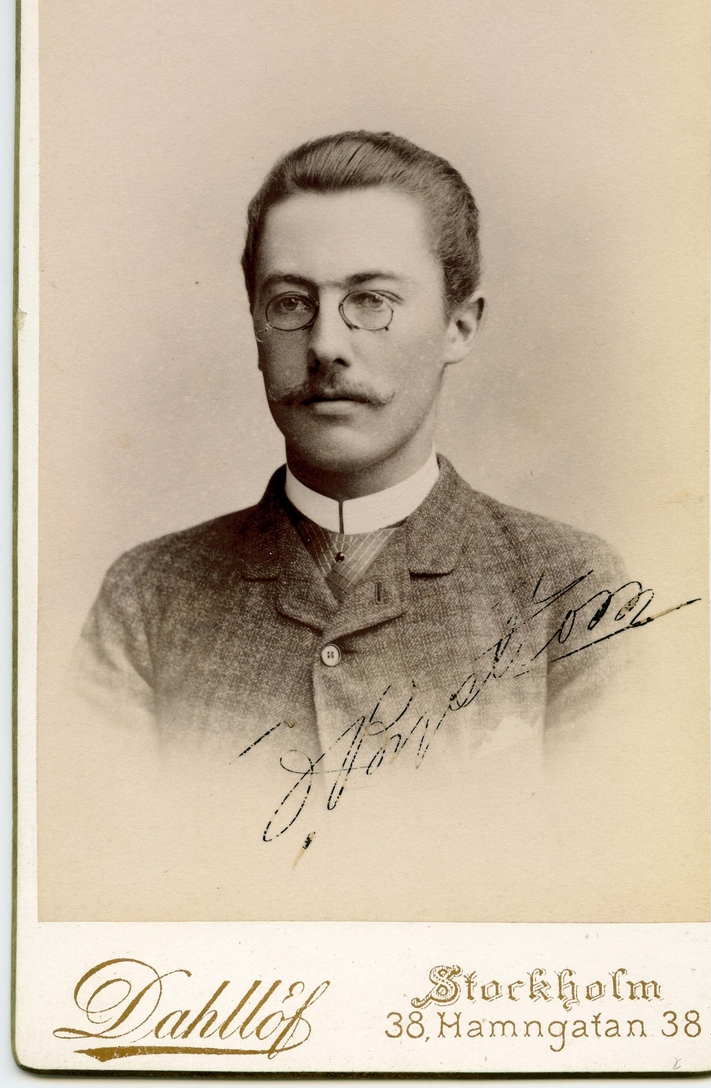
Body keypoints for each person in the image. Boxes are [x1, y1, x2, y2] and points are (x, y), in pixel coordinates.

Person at [72, 131, 628, 770]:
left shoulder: (572, 587)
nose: (325, 345)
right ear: (255, 330)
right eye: (290, 303)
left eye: (371, 300)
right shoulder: (147, 597)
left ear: (458, 326)